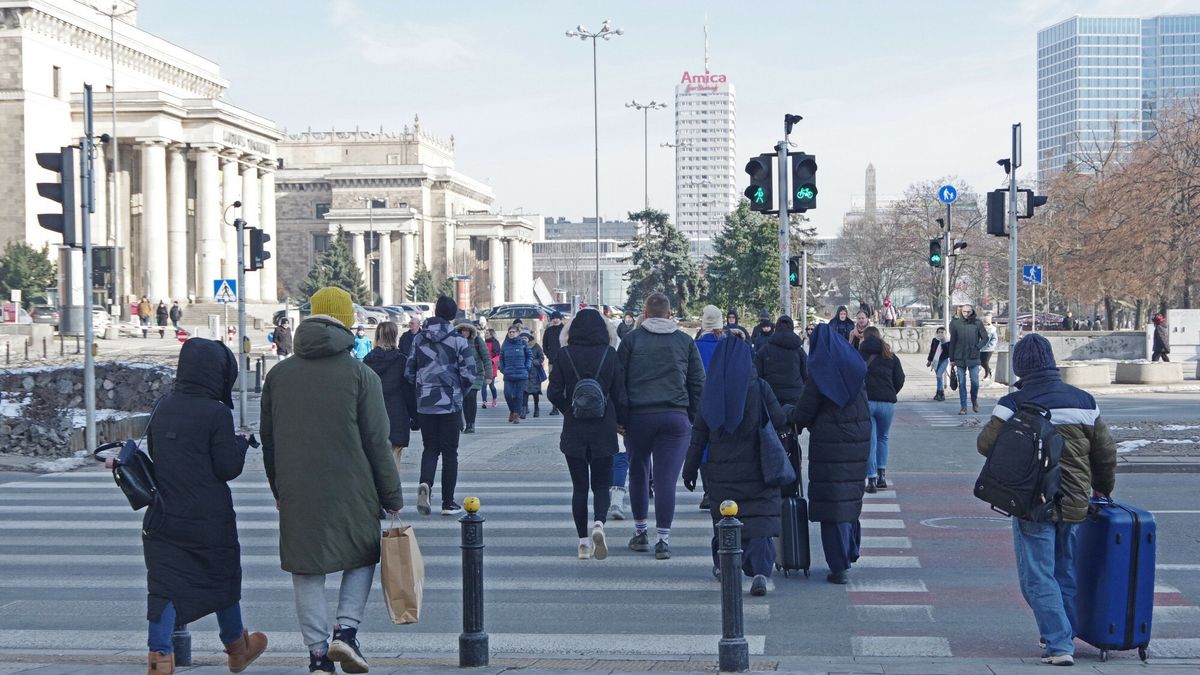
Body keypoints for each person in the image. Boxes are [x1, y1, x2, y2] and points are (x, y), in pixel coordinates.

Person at [260, 286, 402, 675]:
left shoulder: (279, 375)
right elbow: (377, 441)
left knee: (306, 568)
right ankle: (347, 632)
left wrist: (278, 489)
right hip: (353, 488)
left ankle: (318, 655)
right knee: (363, 553)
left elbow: (269, 441)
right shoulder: (360, 374)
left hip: (297, 489)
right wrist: (391, 495)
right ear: (347, 323)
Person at [975, 334, 1118, 667]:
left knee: (1037, 576)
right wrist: (1102, 487)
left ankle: (1058, 643)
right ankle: (1063, 633)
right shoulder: (1084, 402)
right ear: (1051, 363)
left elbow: (985, 444)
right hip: (1075, 503)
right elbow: (1105, 453)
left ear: (1022, 367)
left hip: (1032, 502)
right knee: (1063, 571)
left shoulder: (1014, 403)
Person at [142, 338, 267, 675]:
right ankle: (237, 648)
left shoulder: (163, 407)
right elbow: (227, 468)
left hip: (165, 514)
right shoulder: (215, 412)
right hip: (209, 518)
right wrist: (241, 444)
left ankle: (160, 658)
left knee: (165, 586)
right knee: (222, 579)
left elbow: (157, 454)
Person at [683, 335, 787, 596]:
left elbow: (699, 434)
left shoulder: (712, 391)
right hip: (758, 468)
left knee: (726, 519)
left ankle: (724, 565)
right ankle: (760, 571)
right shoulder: (760, 387)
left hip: (721, 472)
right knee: (760, 521)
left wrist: (690, 468)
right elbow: (780, 419)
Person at [618, 291, 705, 560]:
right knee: (667, 480)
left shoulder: (630, 341)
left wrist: (620, 419)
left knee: (639, 472)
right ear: (670, 315)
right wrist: (690, 417)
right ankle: (663, 540)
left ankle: (640, 532)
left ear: (645, 315)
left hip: (639, 417)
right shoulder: (684, 341)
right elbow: (698, 383)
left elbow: (618, 383)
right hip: (674, 417)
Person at [787, 322, 870, 585]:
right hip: (858, 442)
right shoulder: (855, 367)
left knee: (832, 504)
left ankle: (839, 565)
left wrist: (787, 415)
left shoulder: (820, 374)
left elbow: (803, 412)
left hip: (829, 445)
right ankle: (851, 550)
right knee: (849, 499)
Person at [547, 308, 628, 560]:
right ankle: (599, 525)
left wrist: (568, 409)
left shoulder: (564, 355)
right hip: (604, 429)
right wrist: (621, 422)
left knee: (579, 488)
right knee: (601, 485)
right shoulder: (610, 354)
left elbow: (552, 392)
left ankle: (583, 543)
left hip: (575, 429)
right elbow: (621, 395)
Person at [407, 296, 476, 517]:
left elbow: (409, 371)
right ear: (453, 315)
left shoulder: (419, 339)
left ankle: (425, 484)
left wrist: (422, 387)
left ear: (435, 312)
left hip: (425, 403)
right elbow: (469, 374)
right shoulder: (458, 340)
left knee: (430, 449)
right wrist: (458, 391)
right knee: (450, 453)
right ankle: (448, 502)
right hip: (450, 403)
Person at [363, 321, 410, 480]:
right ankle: (393, 494)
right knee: (395, 453)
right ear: (395, 336)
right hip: (397, 411)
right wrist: (415, 416)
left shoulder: (368, 360)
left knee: (375, 455)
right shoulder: (402, 360)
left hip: (374, 411)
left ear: (378, 336)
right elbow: (408, 390)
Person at [860, 326, 904, 493]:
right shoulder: (890, 356)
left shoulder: (859, 355)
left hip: (867, 402)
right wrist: (891, 392)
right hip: (887, 403)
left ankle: (871, 480)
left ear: (864, 338)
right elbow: (900, 379)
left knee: (870, 441)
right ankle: (882, 476)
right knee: (883, 437)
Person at [755, 315, 809, 407]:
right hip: (795, 395)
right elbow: (806, 374)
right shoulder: (798, 350)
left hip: (771, 395)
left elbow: (757, 373)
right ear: (791, 327)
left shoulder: (765, 350)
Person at [949, 302, 988, 414]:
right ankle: (963, 407)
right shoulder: (955, 324)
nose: (966, 314)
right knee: (961, 383)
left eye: (968, 312)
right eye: (964, 311)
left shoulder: (977, 323)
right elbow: (952, 342)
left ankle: (974, 400)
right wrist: (951, 359)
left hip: (973, 356)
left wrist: (977, 347)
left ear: (972, 312)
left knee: (975, 382)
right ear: (961, 312)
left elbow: (985, 338)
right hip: (959, 357)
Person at [456, 321, 489, 433]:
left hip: (476, 374)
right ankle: (465, 423)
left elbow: (486, 358)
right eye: (463, 330)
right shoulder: (456, 342)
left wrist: (488, 375)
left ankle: (471, 424)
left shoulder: (477, 341)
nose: (465, 332)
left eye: (467, 330)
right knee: (464, 400)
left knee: (471, 397)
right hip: (461, 375)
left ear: (471, 331)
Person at [498, 325, 532, 424]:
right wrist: (502, 368)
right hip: (508, 373)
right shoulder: (505, 344)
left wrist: (527, 367)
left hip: (521, 373)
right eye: (510, 332)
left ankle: (517, 414)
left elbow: (530, 355)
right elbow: (501, 357)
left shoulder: (523, 343)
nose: (512, 333)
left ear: (517, 333)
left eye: (513, 332)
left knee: (518, 395)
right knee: (508, 394)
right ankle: (512, 411)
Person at [398, 317, 421, 430]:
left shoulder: (423, 336)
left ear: (418, 324)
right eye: (410, 323)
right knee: (409, 397)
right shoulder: (404, 337)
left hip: (420, 370)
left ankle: (418, 420)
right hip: (407, 370)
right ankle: (412, 419)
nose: (410, 325)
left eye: (412, 323)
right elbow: (401, 350)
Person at [542, 312, 565, 415]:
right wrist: (549, 355)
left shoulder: (565, 330)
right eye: (553, 318)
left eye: (557, 318)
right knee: (554, 384)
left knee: (566, 383)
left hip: (565, 361)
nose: (555, 320)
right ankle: (554, 407)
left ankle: (566, 405)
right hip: (552, 362)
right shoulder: (548, 331)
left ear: (561, 319)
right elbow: (544, 345)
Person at [522, 329, 547, 418]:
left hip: (535, 373)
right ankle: (524, 410)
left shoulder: (536, 346)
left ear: (529, 338)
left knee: (535, 393)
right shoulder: (520, 346)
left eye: (525, 337)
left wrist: (534, 362)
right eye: (522, 337)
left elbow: (541, 358)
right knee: (524, 392)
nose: (524, 339)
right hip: (524, 372)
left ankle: (536, 408)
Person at [926, 326, 951, 401]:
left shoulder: (947, 340)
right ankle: (940, 393)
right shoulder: (934, 340)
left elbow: (948, 352)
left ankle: (940, 393)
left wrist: (943, 342)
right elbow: (932, 351)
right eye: (939, 332)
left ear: (945, 333)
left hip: (944, 360)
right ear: (937, 333)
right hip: (935, 361)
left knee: (939, 375)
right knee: (938, 378)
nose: (940, 334)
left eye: (942, 332)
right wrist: (929, 361)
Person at [482, 328, 500, 407]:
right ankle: (484, 401)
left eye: (488, 333)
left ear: (492, 334)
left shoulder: (495, 343)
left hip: (492, 366)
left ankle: (494, 399)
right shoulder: (482, 343)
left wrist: (492, 361)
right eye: (485, 333)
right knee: (483, 385)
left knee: (491, 385)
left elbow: (498, 356)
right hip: (483, 366)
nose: (486, 334)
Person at [980, 314, 999, 380]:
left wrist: (990, 345)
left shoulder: (992, 330)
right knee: (981, 362)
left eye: (985, 322)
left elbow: (995, 339)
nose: (984, 323)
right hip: (981, 348)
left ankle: (986, 375)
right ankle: (990, 371)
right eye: (983, 322)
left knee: (985, 362)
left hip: (989, 349)